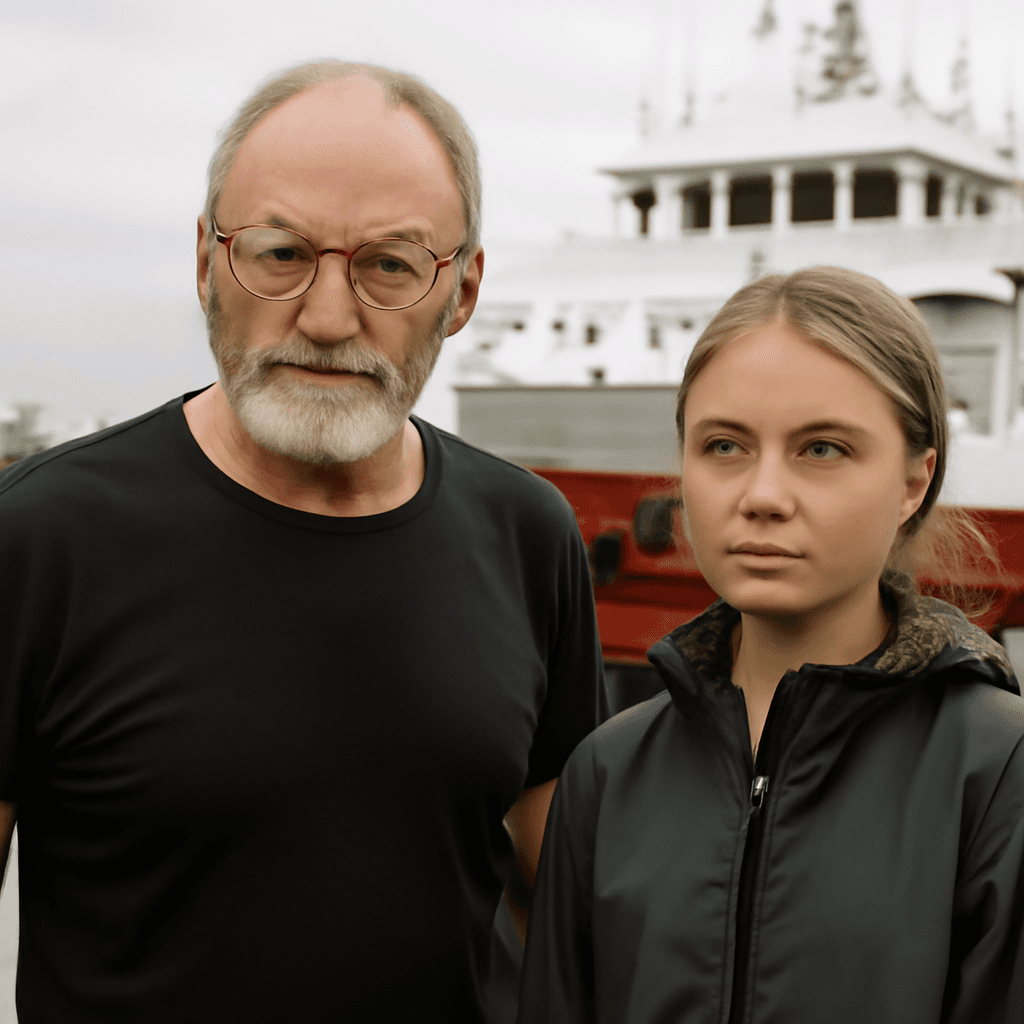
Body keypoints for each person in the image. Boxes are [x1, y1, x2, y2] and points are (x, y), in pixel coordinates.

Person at [0, 62, 606, 1024]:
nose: (328, 319)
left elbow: (570, 909)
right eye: (280, 254)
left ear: (463, 292)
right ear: (206, 262)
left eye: (391, 265)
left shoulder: (528, 535)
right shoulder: (37, 538)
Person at [518, 266, 1024, 1024]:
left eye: (822, 450)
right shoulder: (606, 772)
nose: (761, 496)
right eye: (724, 445)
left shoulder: (995, 771)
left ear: (915, 482)